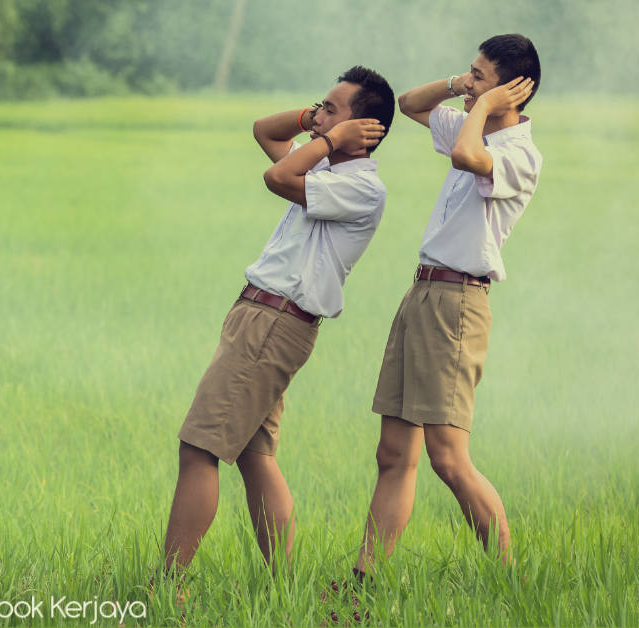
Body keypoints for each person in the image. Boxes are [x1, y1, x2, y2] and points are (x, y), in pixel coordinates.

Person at [159, 66, 394, 576]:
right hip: (263, 318)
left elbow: (276, 177)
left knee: (199, 448)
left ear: (364, 129)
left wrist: (329, 138)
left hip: (272, 322)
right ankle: (284, 585)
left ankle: (167, 586)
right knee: (253, 455)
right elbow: (265, 131)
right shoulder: (326, 170)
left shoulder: (360, 187)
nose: (318, 117)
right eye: (320, 106)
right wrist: (319, 121)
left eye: (333, 109)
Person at [354, 34, 542, 579]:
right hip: (423, 293)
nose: (468, 84)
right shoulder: (471, 120)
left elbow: (465, 155)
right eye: (470, 73)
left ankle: (509, 578)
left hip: (459, 301)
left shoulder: (519, 154)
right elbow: (410, 105)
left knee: (448, 457)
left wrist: (483, 105)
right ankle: (364, 582)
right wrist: (464, 88)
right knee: (393, 453)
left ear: (512, 91)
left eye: (480, 75)